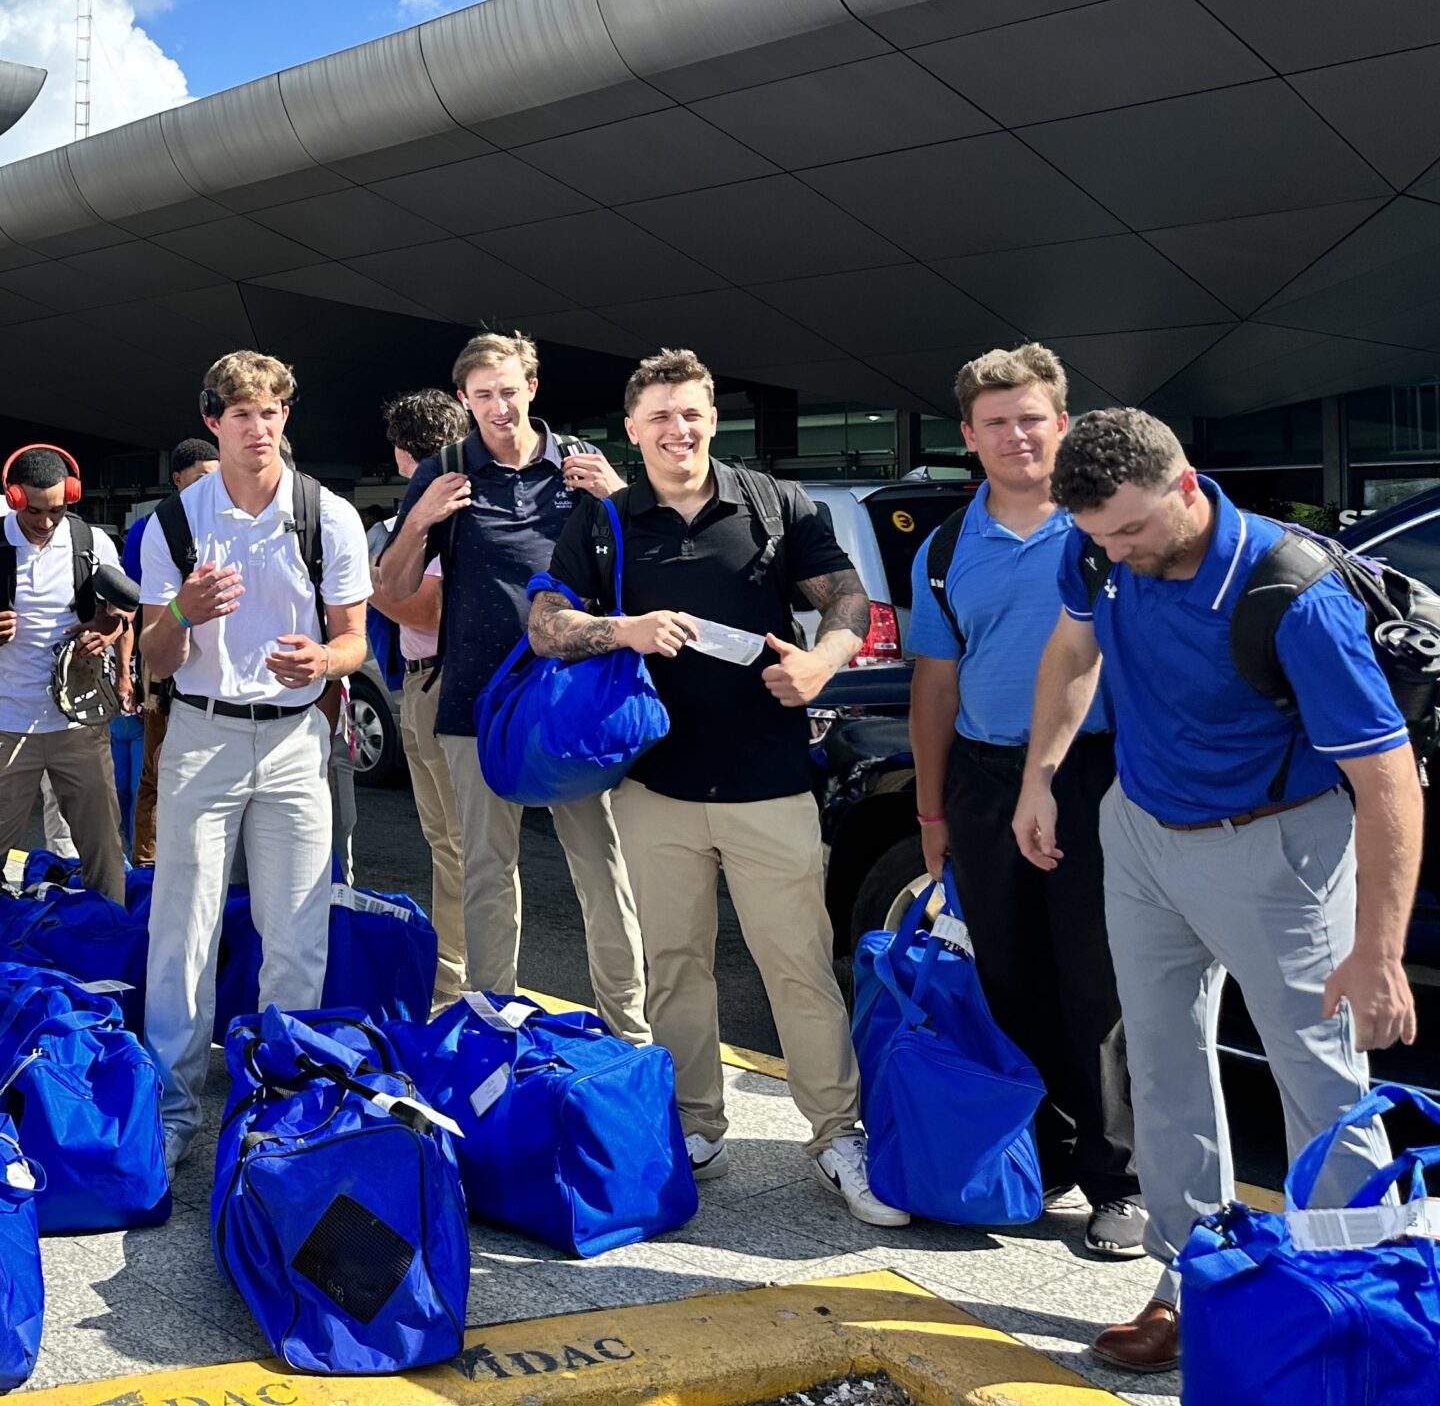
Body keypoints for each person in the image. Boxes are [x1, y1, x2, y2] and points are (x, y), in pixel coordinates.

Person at [1020, 408, 1423, 1375]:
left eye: (1132, 529)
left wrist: (1378, 953)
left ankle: (1355, 1314)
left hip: (1276, 852)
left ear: (1188, 486)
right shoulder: (1098, 550)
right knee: (1161, 1067)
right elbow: (1074, 651)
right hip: (1142, 831)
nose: (1118, 551)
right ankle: (1191, 1281)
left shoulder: (1292, 596)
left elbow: (1387, 780)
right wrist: (1041, 774)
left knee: (1321, 1086)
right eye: (1101, 536)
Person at [532, 348, 907, 1225]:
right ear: (632, 430)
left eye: (692, 413)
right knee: (674, 968)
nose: (679, 430)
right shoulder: (604, 521)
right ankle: (696, 1126)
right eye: (660, 416)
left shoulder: (774, 504)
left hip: (768, 783)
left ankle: (836, 1135)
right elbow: (546, 626)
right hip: (653, 787)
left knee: (800, 967)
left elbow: (847, 602)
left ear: (713, 419)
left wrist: (822, 663)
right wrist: (621, 630)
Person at [906, 345, 1141, 1256]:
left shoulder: (1105, 527)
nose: (1016, 436)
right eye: (995, 422)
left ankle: (1119, 1180)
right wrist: (932, 815)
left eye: (1031, 418)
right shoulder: (943, 549)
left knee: (1099, 980)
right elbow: (935, 686)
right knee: (1007, 976)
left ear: (1063, 425)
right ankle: (1038, 1156)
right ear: (969, 437)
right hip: (984, 776)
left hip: (1095, 775)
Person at [371, 330, 646, 1038]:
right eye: (483, 395)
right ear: (465, 400)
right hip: (477, 705)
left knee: (601, 870)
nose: (499, 407)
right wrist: (420, 520)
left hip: (570, 701)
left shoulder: (581, 465)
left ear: (533, 388)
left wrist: (620, 499)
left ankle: (631, 1032)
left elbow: (643, 567)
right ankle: (494, 1033)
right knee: (486, 872)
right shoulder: (445, 472)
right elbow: (391, 587)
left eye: (509, 391)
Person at [139, 354, 369, 1167]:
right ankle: (172, 1108)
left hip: (297, 738)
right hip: (201, 734)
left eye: (271, 412)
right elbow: (155, 659)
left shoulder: (327, 515)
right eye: (241, 414)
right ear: (214, 422)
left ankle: (282, 1100)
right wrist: (181, 611)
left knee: (297, 932)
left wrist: (326, 662)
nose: (259, 427)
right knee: (184, 927)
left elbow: (355, 638)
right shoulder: (174, 523)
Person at [0, 446, 131, 937]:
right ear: (12, 498)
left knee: (103, 848)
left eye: (57, 509)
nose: (46, 522)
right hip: (2, 724)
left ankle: (113, 944)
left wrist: (107, 631)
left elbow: (120, 614)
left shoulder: (92, 541)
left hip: (78, 726)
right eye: (33, 511)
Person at [378, 388, 470, 1005]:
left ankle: (460, 985)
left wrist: (363, 583)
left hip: (442, 682)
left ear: (404, 451)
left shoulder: (438, 509)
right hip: (426, 680)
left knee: (458, 846)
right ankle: (454, 978)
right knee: (449, 844)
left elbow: (428, 611)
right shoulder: (444, 502)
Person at [125, 439, 219, 865]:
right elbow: (133, 605)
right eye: (202, 477)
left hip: (213, 670)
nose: (211, 486)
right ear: (178, 479)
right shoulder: (154, 527)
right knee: (157, 769)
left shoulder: (222, 519)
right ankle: (148, 863)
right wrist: (134, 673)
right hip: (163, 662)